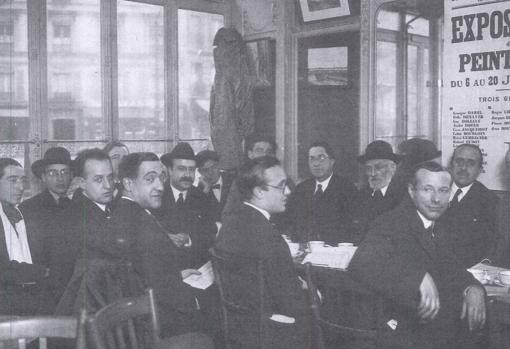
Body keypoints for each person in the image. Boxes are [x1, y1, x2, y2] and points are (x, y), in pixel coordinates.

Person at [349, 161, 486, 349]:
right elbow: (360, 264)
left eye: (443, 190)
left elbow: (453, 268)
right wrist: (416, 277)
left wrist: (473, 288)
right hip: (400, 332)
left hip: (435, 328)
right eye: (427, 190)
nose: (436, 199)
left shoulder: (444, 224)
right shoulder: (390, 222)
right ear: (412, 192)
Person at [102, 152, 207, 337]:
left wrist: (175, 275)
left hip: (142, 316)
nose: (160, 186)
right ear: (128, 183)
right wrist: (196, 301)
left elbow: (143, 273)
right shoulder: (139, 224)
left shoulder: (127, 213)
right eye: (150, 179)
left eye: (162, 177)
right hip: (152, 326)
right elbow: (161, 293)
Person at [215, 156, 310, 349]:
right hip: (269, 334)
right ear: (258, 191)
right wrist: (312, 292)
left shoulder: (229, 224)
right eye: (281, 186)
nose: (289, 191)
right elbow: (292, 303)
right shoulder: (270, 238)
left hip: (236, 328)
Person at [49, 148, 114, 303]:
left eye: (110, 178)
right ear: (82, 183)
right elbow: (64, 283)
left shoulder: (104, 209)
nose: (108, 186)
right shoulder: (72, 220)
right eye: (99, 179)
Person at [0, 158, 54, 315]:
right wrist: (43, 271)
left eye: (22, 181)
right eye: (12, 180)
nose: (21, 187)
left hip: (31, 299)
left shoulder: (24, 215)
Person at [281, 141, 358, 244]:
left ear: (332, 161)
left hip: (334, 252)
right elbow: (291, 222)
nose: (316, 163)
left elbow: (351, 228)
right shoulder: (301, 189)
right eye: (311, 158)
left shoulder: (347, 189)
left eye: (321, 158)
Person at [154, 142, 216, 268]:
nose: (188, 175)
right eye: (181, 169)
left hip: (196, 268)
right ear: (170, 170)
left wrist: (189, 239)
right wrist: (165, 238)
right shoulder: (156, 196)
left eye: (191, 170)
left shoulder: (202, 197)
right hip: (164, 268)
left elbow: (211, 232)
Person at [437, 143, 500, 268]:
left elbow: (493, 246)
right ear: (451, 164)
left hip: (467, 272)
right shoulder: (435, 190)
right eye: (459, 161)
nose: (463, 168)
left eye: (471, 163)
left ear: (480, 169)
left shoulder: (490, 202)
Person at [353, 140, 405, 242]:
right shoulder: (360, 196)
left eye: (379, 167)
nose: (373, 173)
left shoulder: (403, 196)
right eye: (368, 168)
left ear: (393, 168)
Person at [221, 133, 277, 220]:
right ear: (250, 154)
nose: (265, 155)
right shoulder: (241, 182)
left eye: (269, 151)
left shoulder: (282, 180)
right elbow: (227, 215)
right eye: (259, 151)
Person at [20, 147, 73, 229]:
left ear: (71, 175)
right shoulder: (28, 208)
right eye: (52, 173)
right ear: (44, 177)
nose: (60, 178)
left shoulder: (77, 206)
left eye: (64, 172)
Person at [196, 149, 234, 223]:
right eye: (205, 170)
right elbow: (201, 217)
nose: (211, 172)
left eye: (213, 167)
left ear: (219, 165)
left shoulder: (233, 180)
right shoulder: (200, 191)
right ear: (200, 172)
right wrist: (206, 190)